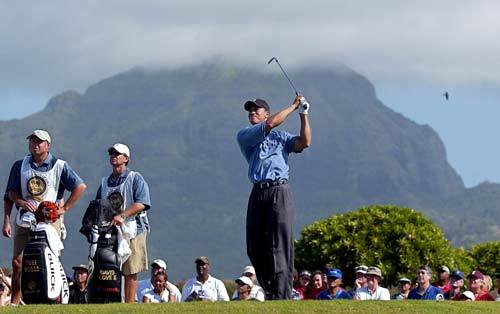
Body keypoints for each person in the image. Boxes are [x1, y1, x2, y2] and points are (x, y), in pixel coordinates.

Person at [237, 95, 311, 300]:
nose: (252, 112)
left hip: (279, 190)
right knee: (254, 245)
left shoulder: (282, 137)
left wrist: (303, 114)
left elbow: (305, 141)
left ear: (266, 112)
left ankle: (282, 293)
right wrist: (293, 106)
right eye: (250, 110)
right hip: (258, 191)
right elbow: (270, 124)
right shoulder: (245, 135)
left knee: (280, 243)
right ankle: (270, 289)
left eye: (257, 109)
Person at [6, 129, 86, 305]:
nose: (35, 144)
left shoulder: (60, 165)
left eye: (39, 141)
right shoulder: (20, 165)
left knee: (51, 260)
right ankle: (15, 300)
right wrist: (21, 202)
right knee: (17, 262)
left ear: (48, 145)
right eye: (32, 141)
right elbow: (11, 193)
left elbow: (80, 186)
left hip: (50, 220)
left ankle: (54, 299)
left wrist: (64, 208)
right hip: (24, 218)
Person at [95, 143, 151, 303]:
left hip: (133, 228)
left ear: (126, 158)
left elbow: (142, 203)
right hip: (110, 230)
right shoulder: (105, 182)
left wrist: (123, 215)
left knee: (130, 269)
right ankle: (111, 300)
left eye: (117, 153)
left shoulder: (135, 178)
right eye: (111, 153)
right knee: (109, 266)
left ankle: (129, 303)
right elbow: (99, 203)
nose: (113, 155)